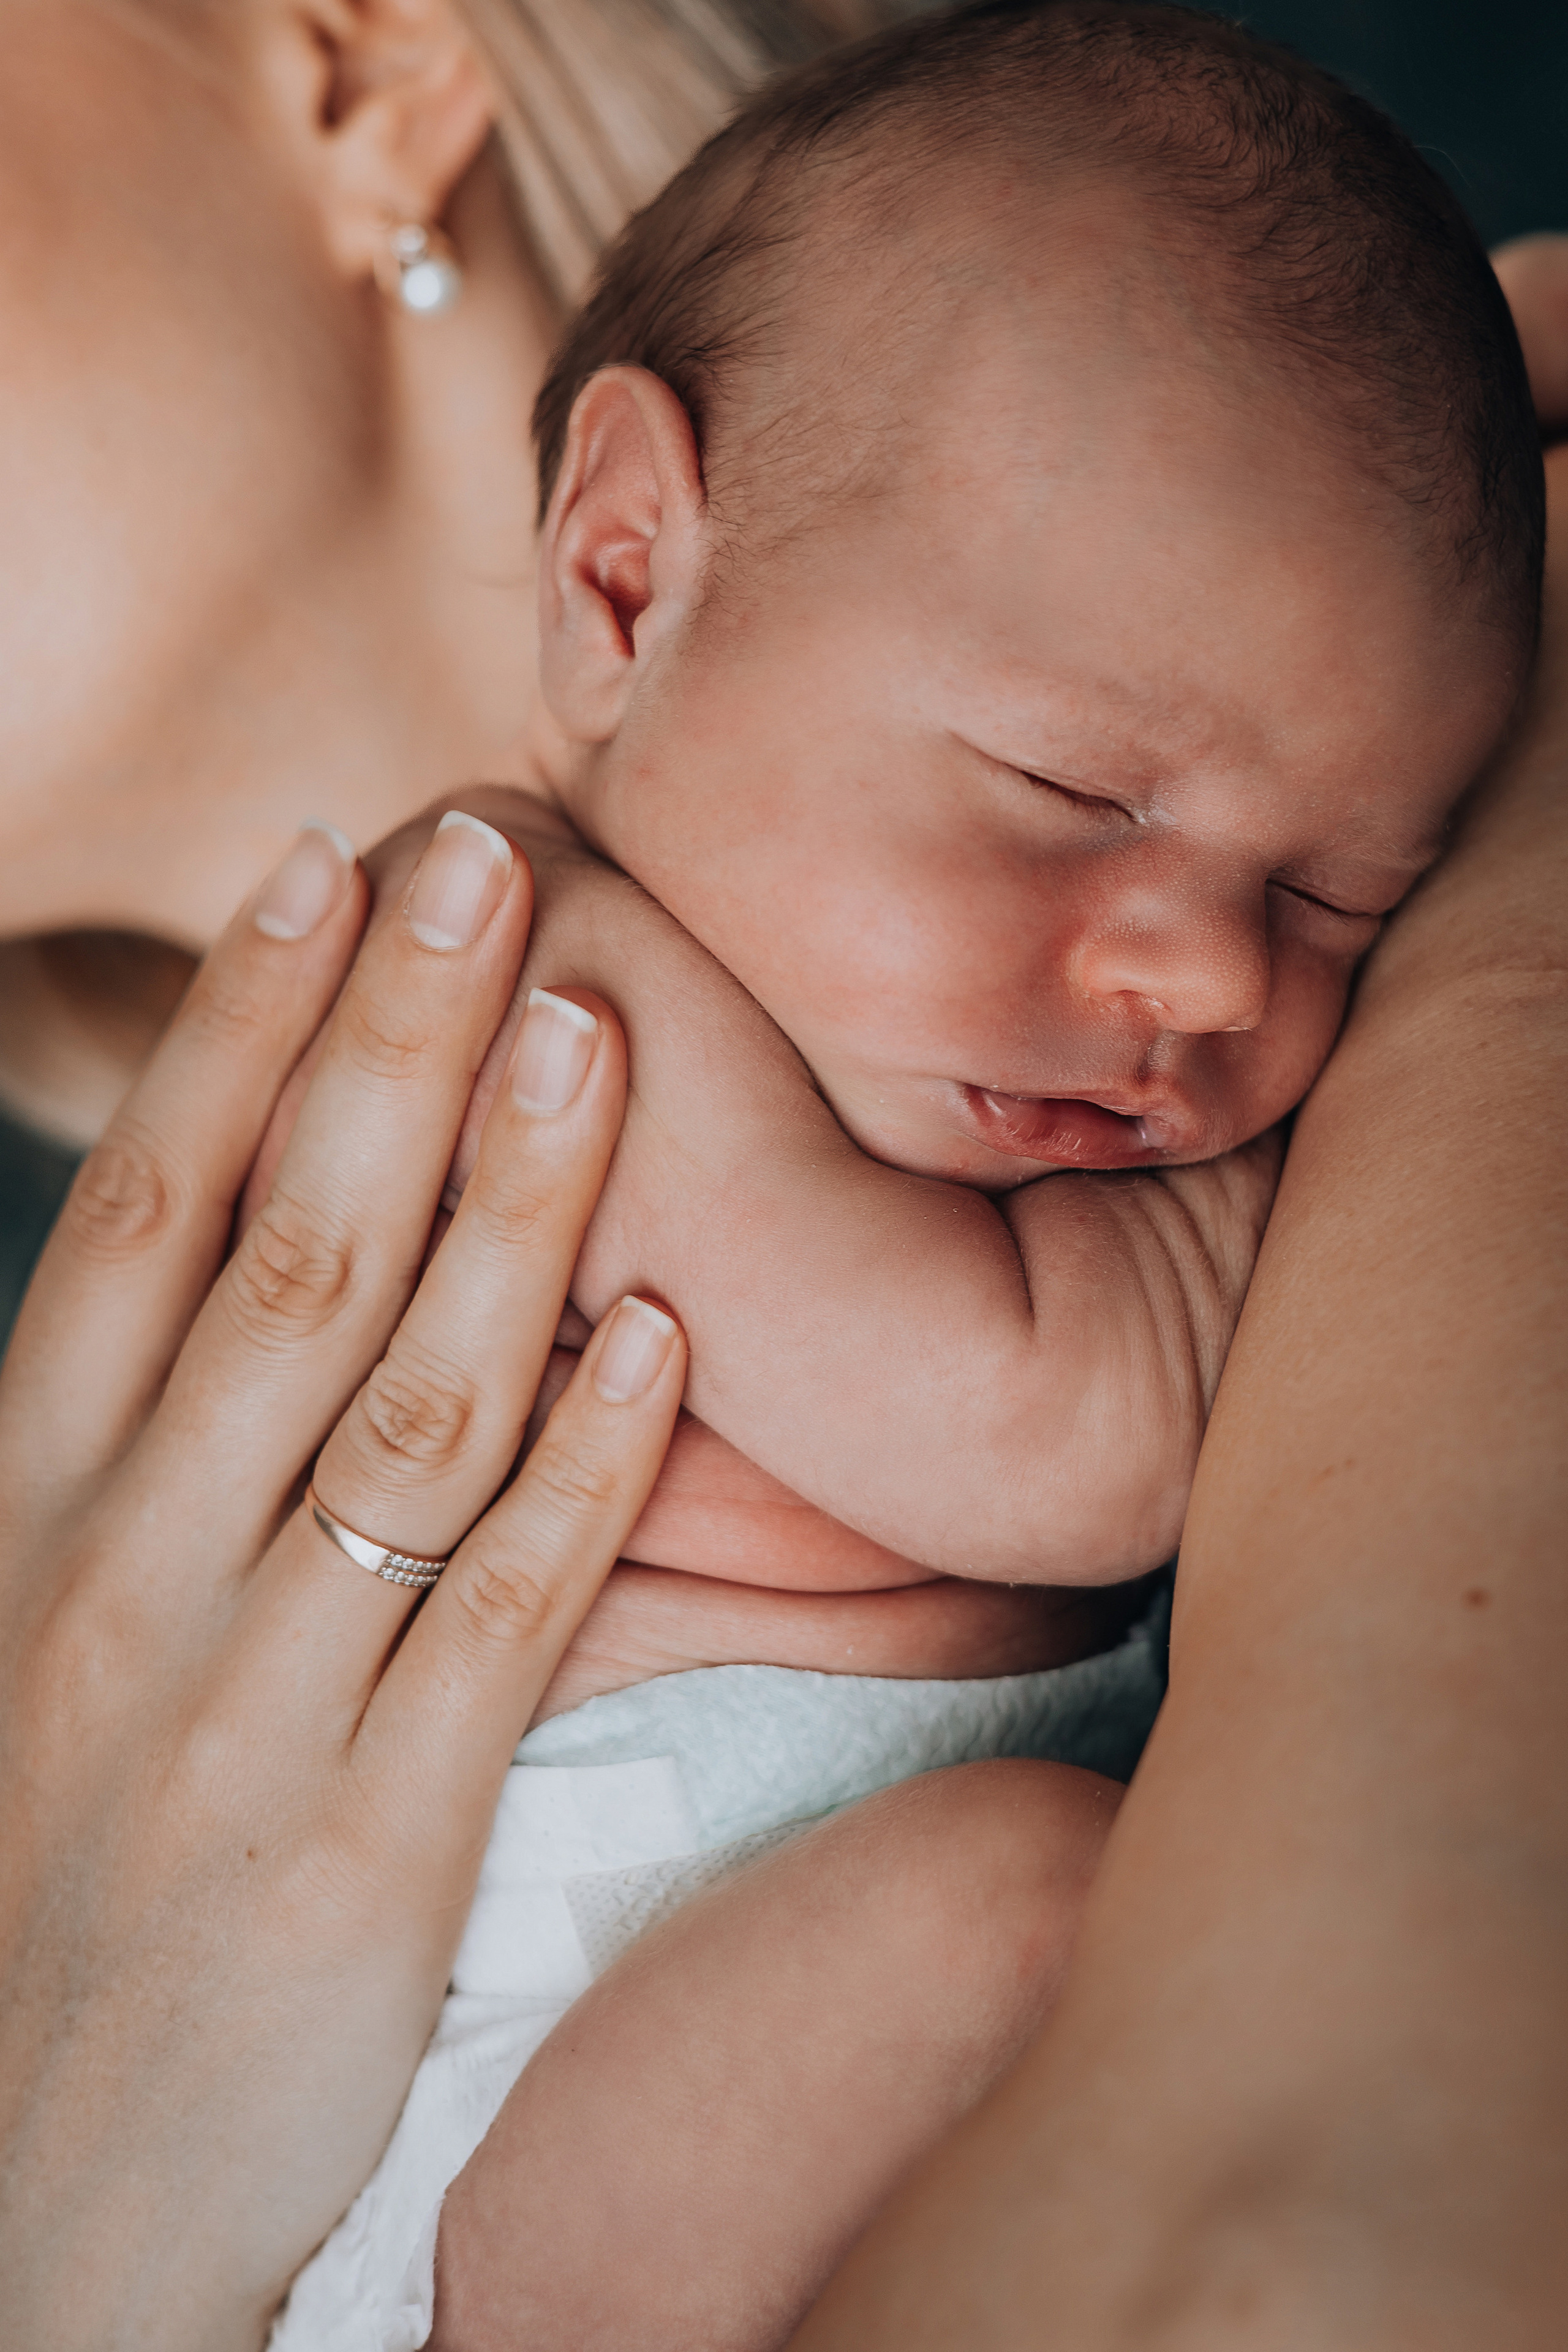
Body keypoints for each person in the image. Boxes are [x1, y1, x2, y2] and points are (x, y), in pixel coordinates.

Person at [252, 9, 1539, 2342]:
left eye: (1349, 892)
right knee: (1029, 1914)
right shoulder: (545, 984)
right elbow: (1049, 1439)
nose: (1201, 974)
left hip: (709, 2045)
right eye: (1074, 795)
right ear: (627, 584)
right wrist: (1366, 1121)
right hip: (501, 2076)